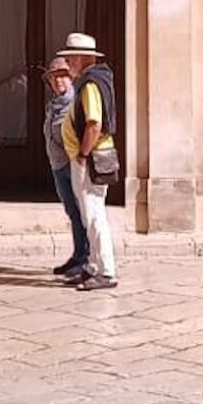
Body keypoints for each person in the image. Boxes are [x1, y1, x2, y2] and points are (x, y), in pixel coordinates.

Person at [58, 31, 119, 291]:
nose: (67, 63)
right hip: (87, 157)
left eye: (70, 58)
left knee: (94, 215)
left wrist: (83, 154)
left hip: (90, 158)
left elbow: (94, 124)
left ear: (82, 58)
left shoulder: (90, 85)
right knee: (88, 213)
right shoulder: (89, 82)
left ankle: (106, 271)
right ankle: (93, 266)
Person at [43, 57, 89, 283]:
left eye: (62, 76)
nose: (58, 81)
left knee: (81, 211)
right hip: (58, 164)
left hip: (72, 164)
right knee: (72, 211)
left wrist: (79, 157)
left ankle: (85, 258)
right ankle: (78, 254)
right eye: (54, 77)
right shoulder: (54, 104)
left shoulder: (75, 103)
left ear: (71, 78)